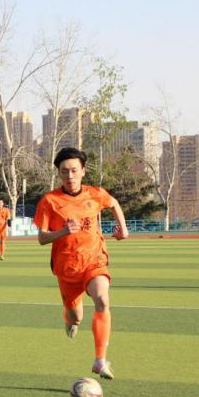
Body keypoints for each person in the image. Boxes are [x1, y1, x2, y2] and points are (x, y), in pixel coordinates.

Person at [34, 147, 129, 380]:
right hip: (67, 268)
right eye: (65, 171)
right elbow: (42, 238)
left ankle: (100, 360)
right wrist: (63, 231)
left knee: (102, 299)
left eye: (74, 170)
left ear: (83, 171)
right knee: (76, 316)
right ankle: (70, 320)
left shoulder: (95, 194)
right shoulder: (50, 201)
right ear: (59, 173)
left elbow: (113, 203)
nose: (70, 176)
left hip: (94, 260)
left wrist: (123, 229)